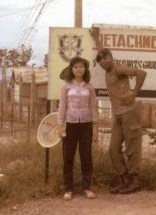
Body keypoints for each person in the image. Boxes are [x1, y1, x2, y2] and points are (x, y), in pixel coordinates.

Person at [90, 27, 147, 194]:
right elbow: (102, 52)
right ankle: (124, 179)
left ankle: (134, 181)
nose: (103, 61)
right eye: (100, 61)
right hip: (118, 116)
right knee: (113, 149)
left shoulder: (118, 68)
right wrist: (96, 37)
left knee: (132, 148)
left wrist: (134, 94)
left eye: (106, 58)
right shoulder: (107, 69)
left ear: (111, 58)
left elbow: (141, 73)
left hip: (129, 112)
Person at [57, 56, 98, 200]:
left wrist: (95, 128)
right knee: (68, 157)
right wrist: (61, 124)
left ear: (85, 69)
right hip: (70, 124)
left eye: (81, 67)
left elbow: (93, 106)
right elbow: (62, 105)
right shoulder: (66, 86)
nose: (78, 69)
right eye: (75, 67)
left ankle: (87, 187)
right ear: (71, 69)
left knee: (86, 156)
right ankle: (68, 189)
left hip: (86, 125)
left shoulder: (90, 87)